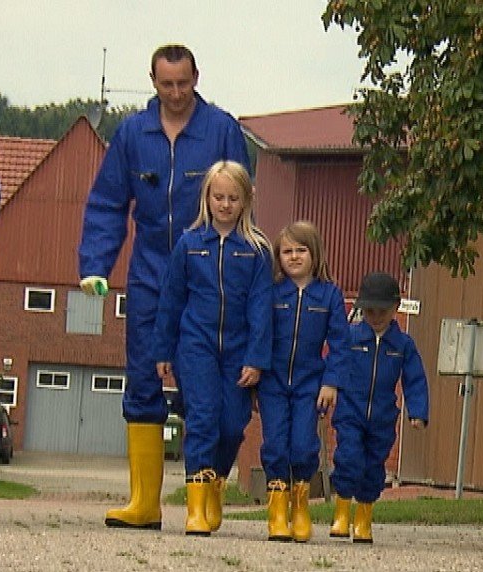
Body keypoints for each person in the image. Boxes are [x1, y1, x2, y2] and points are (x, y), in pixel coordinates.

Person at [77, 44, 250, 530]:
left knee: (218, 391)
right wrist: (95, 263)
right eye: (166, 84)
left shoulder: (222, 130)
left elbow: (244, 202)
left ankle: (208, 489)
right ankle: (144, 503)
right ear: (152, 81)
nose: (175, 93)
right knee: (142, 379)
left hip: (210, 278)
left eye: (183, 83)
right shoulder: (133, 133)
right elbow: (108, 203)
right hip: (151, 273)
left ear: (197, 77)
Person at [154, 160, 273, 536]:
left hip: (238, 350)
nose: (225, 204)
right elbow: (171, 300)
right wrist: (163, 350)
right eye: (218, 197)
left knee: (233, 424)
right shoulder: (189, 245)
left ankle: (216, 482)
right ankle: (196, 504)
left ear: (245, 201)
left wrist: (256, 358)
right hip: (196, 346)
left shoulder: (256, 250)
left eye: (233, 198)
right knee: (203, 417)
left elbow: (261, 307)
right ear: (207, 197)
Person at [257, 220, 348, 542]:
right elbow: (258, 334)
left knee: (303, 446)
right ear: (278, 257)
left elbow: (340, 343)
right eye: (287, 251)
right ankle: (277, 513)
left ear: (315, 254)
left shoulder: (329, 295)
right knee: (275, 444)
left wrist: (331, 382)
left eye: (301, 250)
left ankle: (300, 508)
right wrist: (254, 372)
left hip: (311, 383)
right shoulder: (270, 292)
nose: (294, 257)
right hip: (273, 382)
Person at [328, 271, 429, 544]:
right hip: (350, 411)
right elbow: (333, 366)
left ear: (395, 308)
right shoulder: (350, 338)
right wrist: (328, 391)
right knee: (348, 458)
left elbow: (415, 379)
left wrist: (418, 412)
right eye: (369, 311)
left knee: (373, 466)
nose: (375, 317)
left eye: (381, 311)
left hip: (382, 417)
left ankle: (363, 516)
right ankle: (341, 512)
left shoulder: (403, 345)